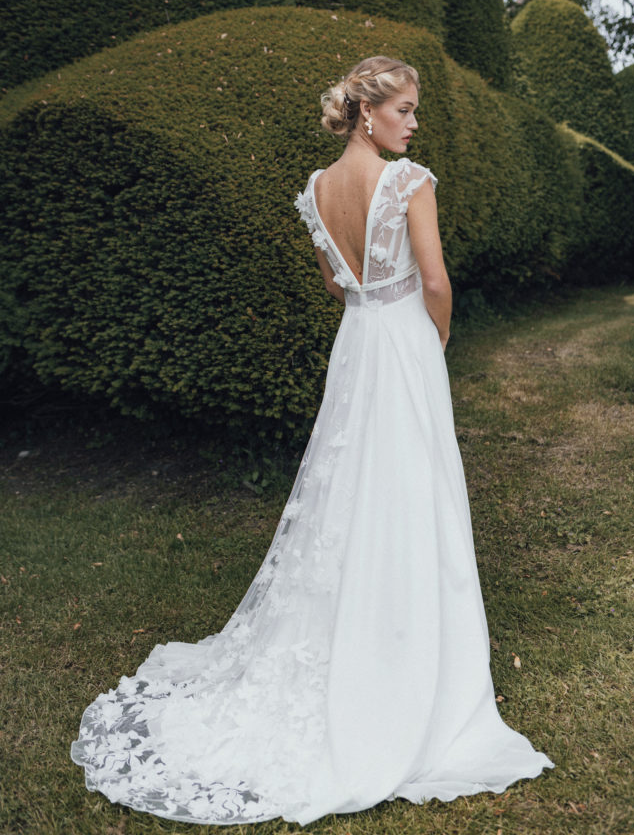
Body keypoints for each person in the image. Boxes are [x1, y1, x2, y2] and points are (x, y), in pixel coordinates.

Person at [71, 56, 553, 826]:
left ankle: (357, 627)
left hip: (356, 342)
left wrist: (371, 299)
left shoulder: (317, 190)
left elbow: (336, 284)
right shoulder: (409, 182)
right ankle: (405, 656)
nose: (413, 123)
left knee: (349, 488)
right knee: (410, 487)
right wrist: (435, 337)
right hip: (401, 342)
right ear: (368, 112)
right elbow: (434, 282)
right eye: (404, 109)